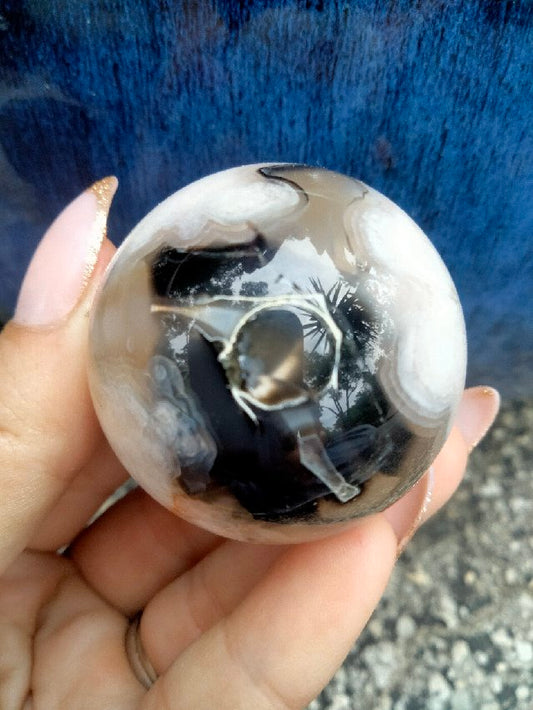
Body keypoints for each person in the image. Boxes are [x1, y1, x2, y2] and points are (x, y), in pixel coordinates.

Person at [0, 178, 500, 709]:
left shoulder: (305, 412)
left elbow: (318, 457)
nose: (252, 384)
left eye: (267, 380)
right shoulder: (204, 332)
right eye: (253, 374)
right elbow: (175, 316)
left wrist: (331, 475)